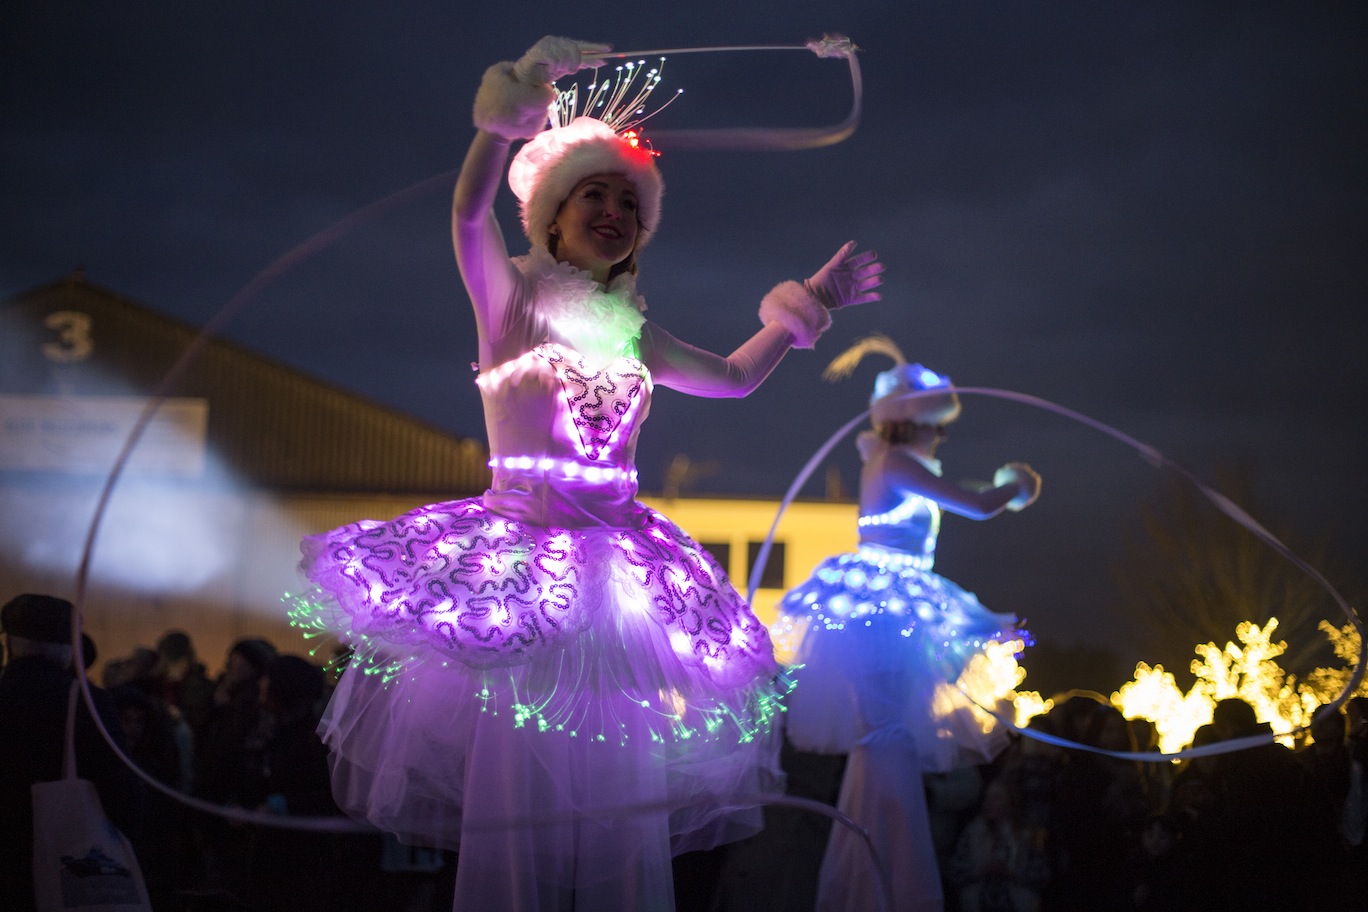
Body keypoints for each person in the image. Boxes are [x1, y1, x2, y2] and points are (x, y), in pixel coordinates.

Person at [291, 35, 882, 911]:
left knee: (617, 806)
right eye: (593, 195)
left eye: (629, 203)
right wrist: (515, 103)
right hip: (520, 576)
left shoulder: (636, 330)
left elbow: (731, 377)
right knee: (517, 805)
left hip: (619, 587)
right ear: (551, 214)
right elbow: (466, 215)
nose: (614, 212)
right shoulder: (512, 299)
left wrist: (806, 306)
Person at [771, 335, 1040, 912]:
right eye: (936, 427)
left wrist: (1001, 490)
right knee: (887, 736)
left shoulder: (897, 464)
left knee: (885, 738)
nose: (940, 437)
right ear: (913, 424)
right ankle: (890, 887)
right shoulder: (895, 463)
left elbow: (960, 496)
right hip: (885, 611)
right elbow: (978, 504)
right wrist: (1016, 485)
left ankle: (872, 883)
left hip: (890, 607)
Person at [0, 593, 145, 910]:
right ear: (70, 652)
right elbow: (123, 794)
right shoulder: (87, 703)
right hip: (68, 864)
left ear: (8, 645)